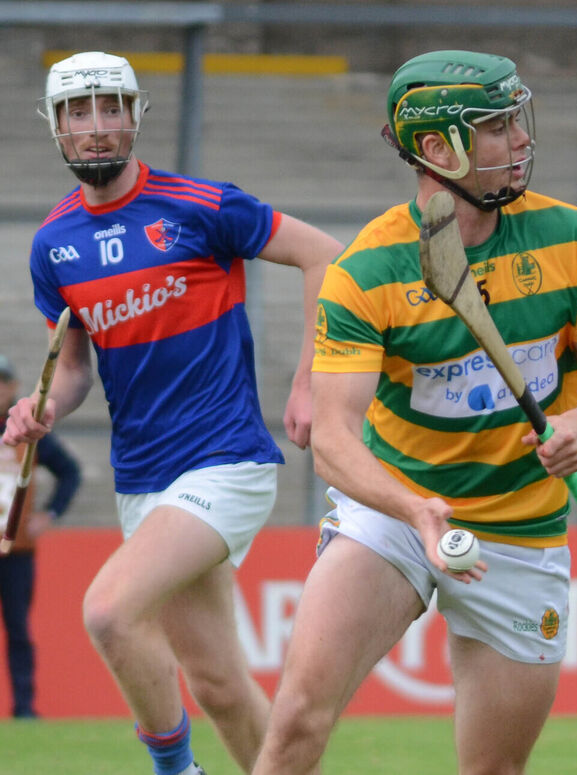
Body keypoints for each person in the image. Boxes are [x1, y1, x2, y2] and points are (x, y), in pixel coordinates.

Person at [252, 50, 577, 774]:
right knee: (298, 718)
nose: (521, 139)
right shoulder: (368, 268)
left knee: (493, 768)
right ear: (437, 148)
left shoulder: (569, 237)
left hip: (522, 529)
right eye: (496, 126)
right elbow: (334, 439)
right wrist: (415, 507)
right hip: (394, 510)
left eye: (515, 119)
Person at [2, 52, 342, 774]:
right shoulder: (53, 247)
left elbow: (325, 255)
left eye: (109, 108)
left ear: (134, 115)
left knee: (107, 610)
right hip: (143, 481)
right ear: (56, 128)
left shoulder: (202, 205)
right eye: (78, 113)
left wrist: (312, 380)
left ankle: (173, 768)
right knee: (219, 685)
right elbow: (71, 371)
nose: (95, 128)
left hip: (226, 459)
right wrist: (42, 409)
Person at [0, 353, 82, 719]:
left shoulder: (25, 431)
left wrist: (49, 513)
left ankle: (24, 707)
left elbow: (70, 471)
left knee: (18, 628)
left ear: (13, 387)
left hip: (17, 550)